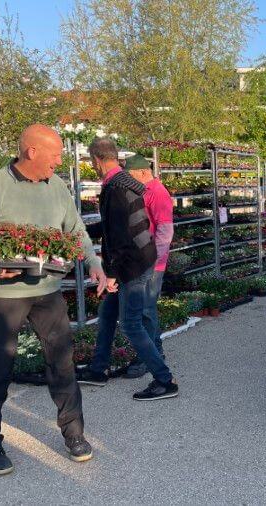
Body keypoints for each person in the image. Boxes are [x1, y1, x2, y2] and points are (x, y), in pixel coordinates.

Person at [0, 124, 107, 476]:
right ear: (31, 152)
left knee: (62, 364)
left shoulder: (57, 186)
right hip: (4, 297)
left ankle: (74, 434)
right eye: (55, 154)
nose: (60, 161)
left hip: (47, 292)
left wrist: (95, 265)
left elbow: (75, 230)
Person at [76, 139, 178, 402]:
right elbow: (113, 226)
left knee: (132, 323)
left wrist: (110, 273)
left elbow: (120, 236)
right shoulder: (125, 183)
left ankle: (164, 380)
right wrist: (82, 232)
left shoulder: (115, 188)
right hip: (136, 261)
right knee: (108, 313)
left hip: (132, 265)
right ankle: (98, 369)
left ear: (96, 161)